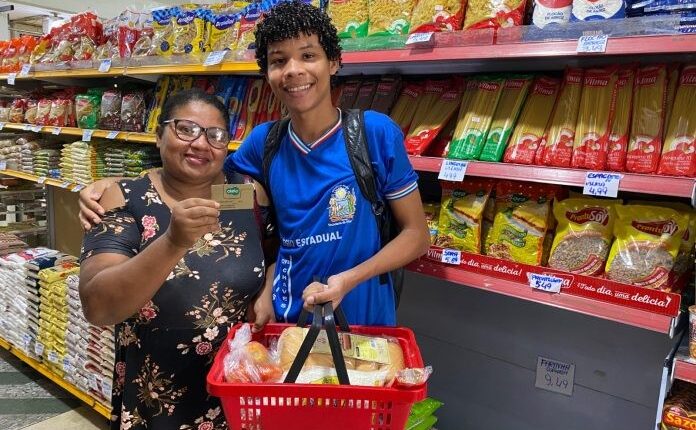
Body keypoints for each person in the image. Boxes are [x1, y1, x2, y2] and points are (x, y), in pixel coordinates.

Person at [80, 1, 429, 329]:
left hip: (363, 316)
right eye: (279, 61)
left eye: (308, 56)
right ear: (267, 72)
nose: (293, 70)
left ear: (334, 62)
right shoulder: (264, 142)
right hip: (287, 318)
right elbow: (207, 179)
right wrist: (122, 184)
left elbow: (417, 236)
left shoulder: (374, 133)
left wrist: (348, 279)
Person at [78, 89, 269, 429]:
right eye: (186, 129)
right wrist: (172, 242)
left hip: (236, 387)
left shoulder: (243, 193)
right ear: (159, 134)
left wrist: (266, 289)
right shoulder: (124, 198)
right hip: (155, 395)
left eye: (215, 135)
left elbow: (275, 250)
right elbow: (98, 306)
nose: (201, 143)